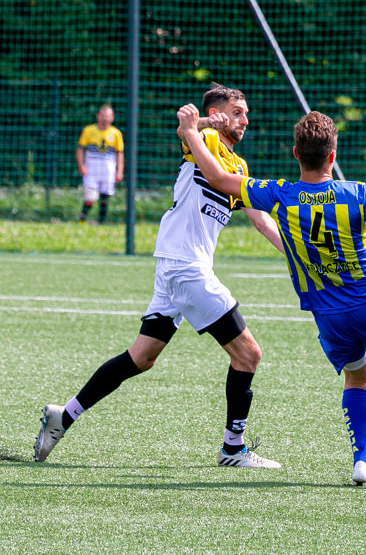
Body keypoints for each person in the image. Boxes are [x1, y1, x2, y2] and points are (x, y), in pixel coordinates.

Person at [176, 105, 366, 486]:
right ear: (333, 155)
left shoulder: (280, 194)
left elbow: (215, 176)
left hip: (327, 313)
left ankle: (362, 461)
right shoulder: (358, 193)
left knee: (356, 375)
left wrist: (191, 133)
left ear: (297, 154)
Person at [35, 84, 286, 468]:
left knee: (142, 357)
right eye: (237, 112)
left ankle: (63, 415)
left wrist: (293, 253)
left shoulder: (239, 165)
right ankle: (233, 449)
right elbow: (184, 124)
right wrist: (203, 121)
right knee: (248, 354)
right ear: (219, 114)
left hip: (178, 266)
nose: (245, 120)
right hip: (186, 267)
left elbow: (259, 219)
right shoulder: (202, 137)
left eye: (245, 112)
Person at [77, 104, 125, 224]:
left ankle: (101, 222)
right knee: (90, 197)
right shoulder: (88, 131)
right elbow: (80, 149)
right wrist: (81, 165)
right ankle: (82, 219)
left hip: (108, 167)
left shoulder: (115, 133)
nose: (105, 118)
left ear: (112, 117)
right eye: (103, 115)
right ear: (98, 116)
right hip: (92, 167)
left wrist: (119, 171)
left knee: (105, 196)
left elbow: (119, 153)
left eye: (107, 116)